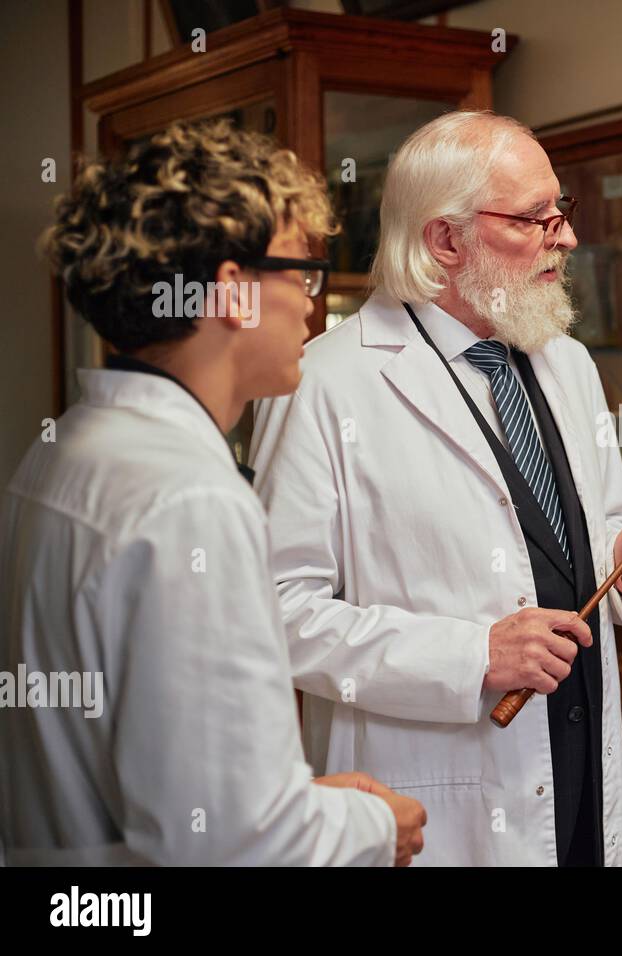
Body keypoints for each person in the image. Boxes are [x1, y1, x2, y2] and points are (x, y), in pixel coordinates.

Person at [249, 110, 622, 866]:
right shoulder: (326, 383)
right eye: (533, 220)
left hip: (577, 762)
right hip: (444, 796)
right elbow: (277, 612)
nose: (567, 238)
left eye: (563, 212)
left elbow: (602, 529)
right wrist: (469, 656)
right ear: (444, 240)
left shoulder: (567, 363)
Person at [0, 120, 426, 865]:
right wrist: (378, 827)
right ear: (234, 291)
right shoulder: (188, 500)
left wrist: (300, 800)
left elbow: (171, 781)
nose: (312, 305)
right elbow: (235, 842)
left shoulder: (59, 454)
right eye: (300, 274)